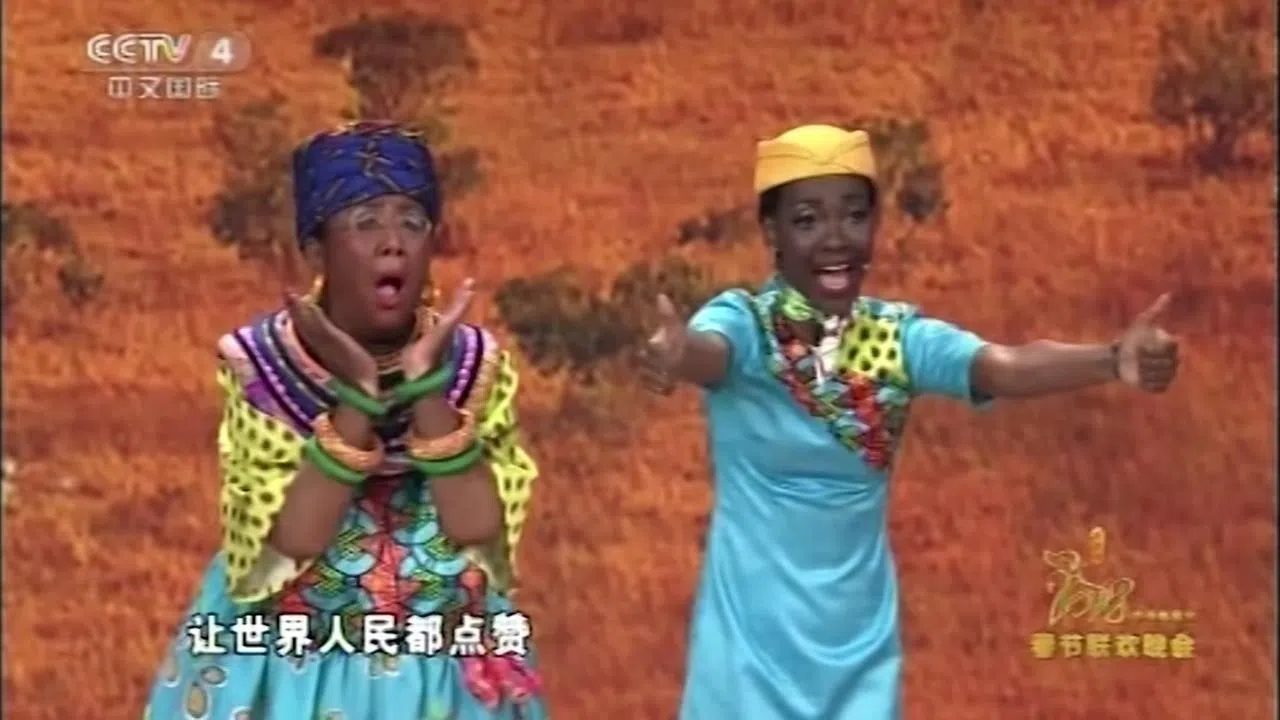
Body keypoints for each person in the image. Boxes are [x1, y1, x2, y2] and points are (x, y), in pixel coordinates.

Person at [638, 124, 1180, 720]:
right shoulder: (746, 325)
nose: (836, 239)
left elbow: (1000, 367)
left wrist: (1110, 359)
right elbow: (709, 353)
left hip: (858, 649)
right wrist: (678, 354)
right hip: (749, 650)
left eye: (854, 216)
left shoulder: (897, 339)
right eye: (808, 220)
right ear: (772, 233)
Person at [143, 121, 548, 720]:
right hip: (292, 666)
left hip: (439, 667)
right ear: (316, 251)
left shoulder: (474, 365)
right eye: (366, 223)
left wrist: (426, 389)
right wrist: (357, 399)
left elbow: (479, 532)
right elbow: (289, 542)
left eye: (412, 222)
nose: (394, 243)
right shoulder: (263, 368)